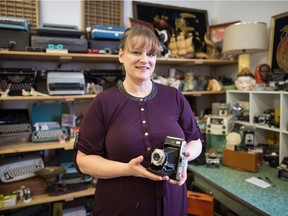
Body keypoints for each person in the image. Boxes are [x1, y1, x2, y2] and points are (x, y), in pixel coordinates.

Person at [74, 25, 202, 216]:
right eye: (136, 52)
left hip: (171, 204)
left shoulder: (174, 97)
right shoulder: (103, 102)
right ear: (121, 56)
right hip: (120, 206)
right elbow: (83, 161)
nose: (145, 60)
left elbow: (195, 141)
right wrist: (127, 169)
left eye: (151, 54)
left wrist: (184, 157)